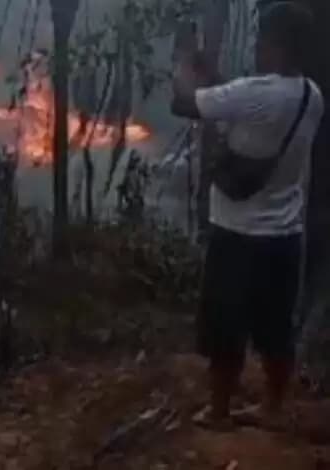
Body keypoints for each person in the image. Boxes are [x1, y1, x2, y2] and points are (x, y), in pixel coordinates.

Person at [171, 1, 324, 430]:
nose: (257, 47)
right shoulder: (312, 97)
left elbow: (181, 104)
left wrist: (184, 60)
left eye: (262, 40)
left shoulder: (253, 95)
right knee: (276, 328)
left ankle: (219, 412)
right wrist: (213, 77)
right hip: (285, 236)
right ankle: (273, 408)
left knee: (225, 328)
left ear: (276, 44)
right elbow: (243, 101)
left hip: (236, 235)